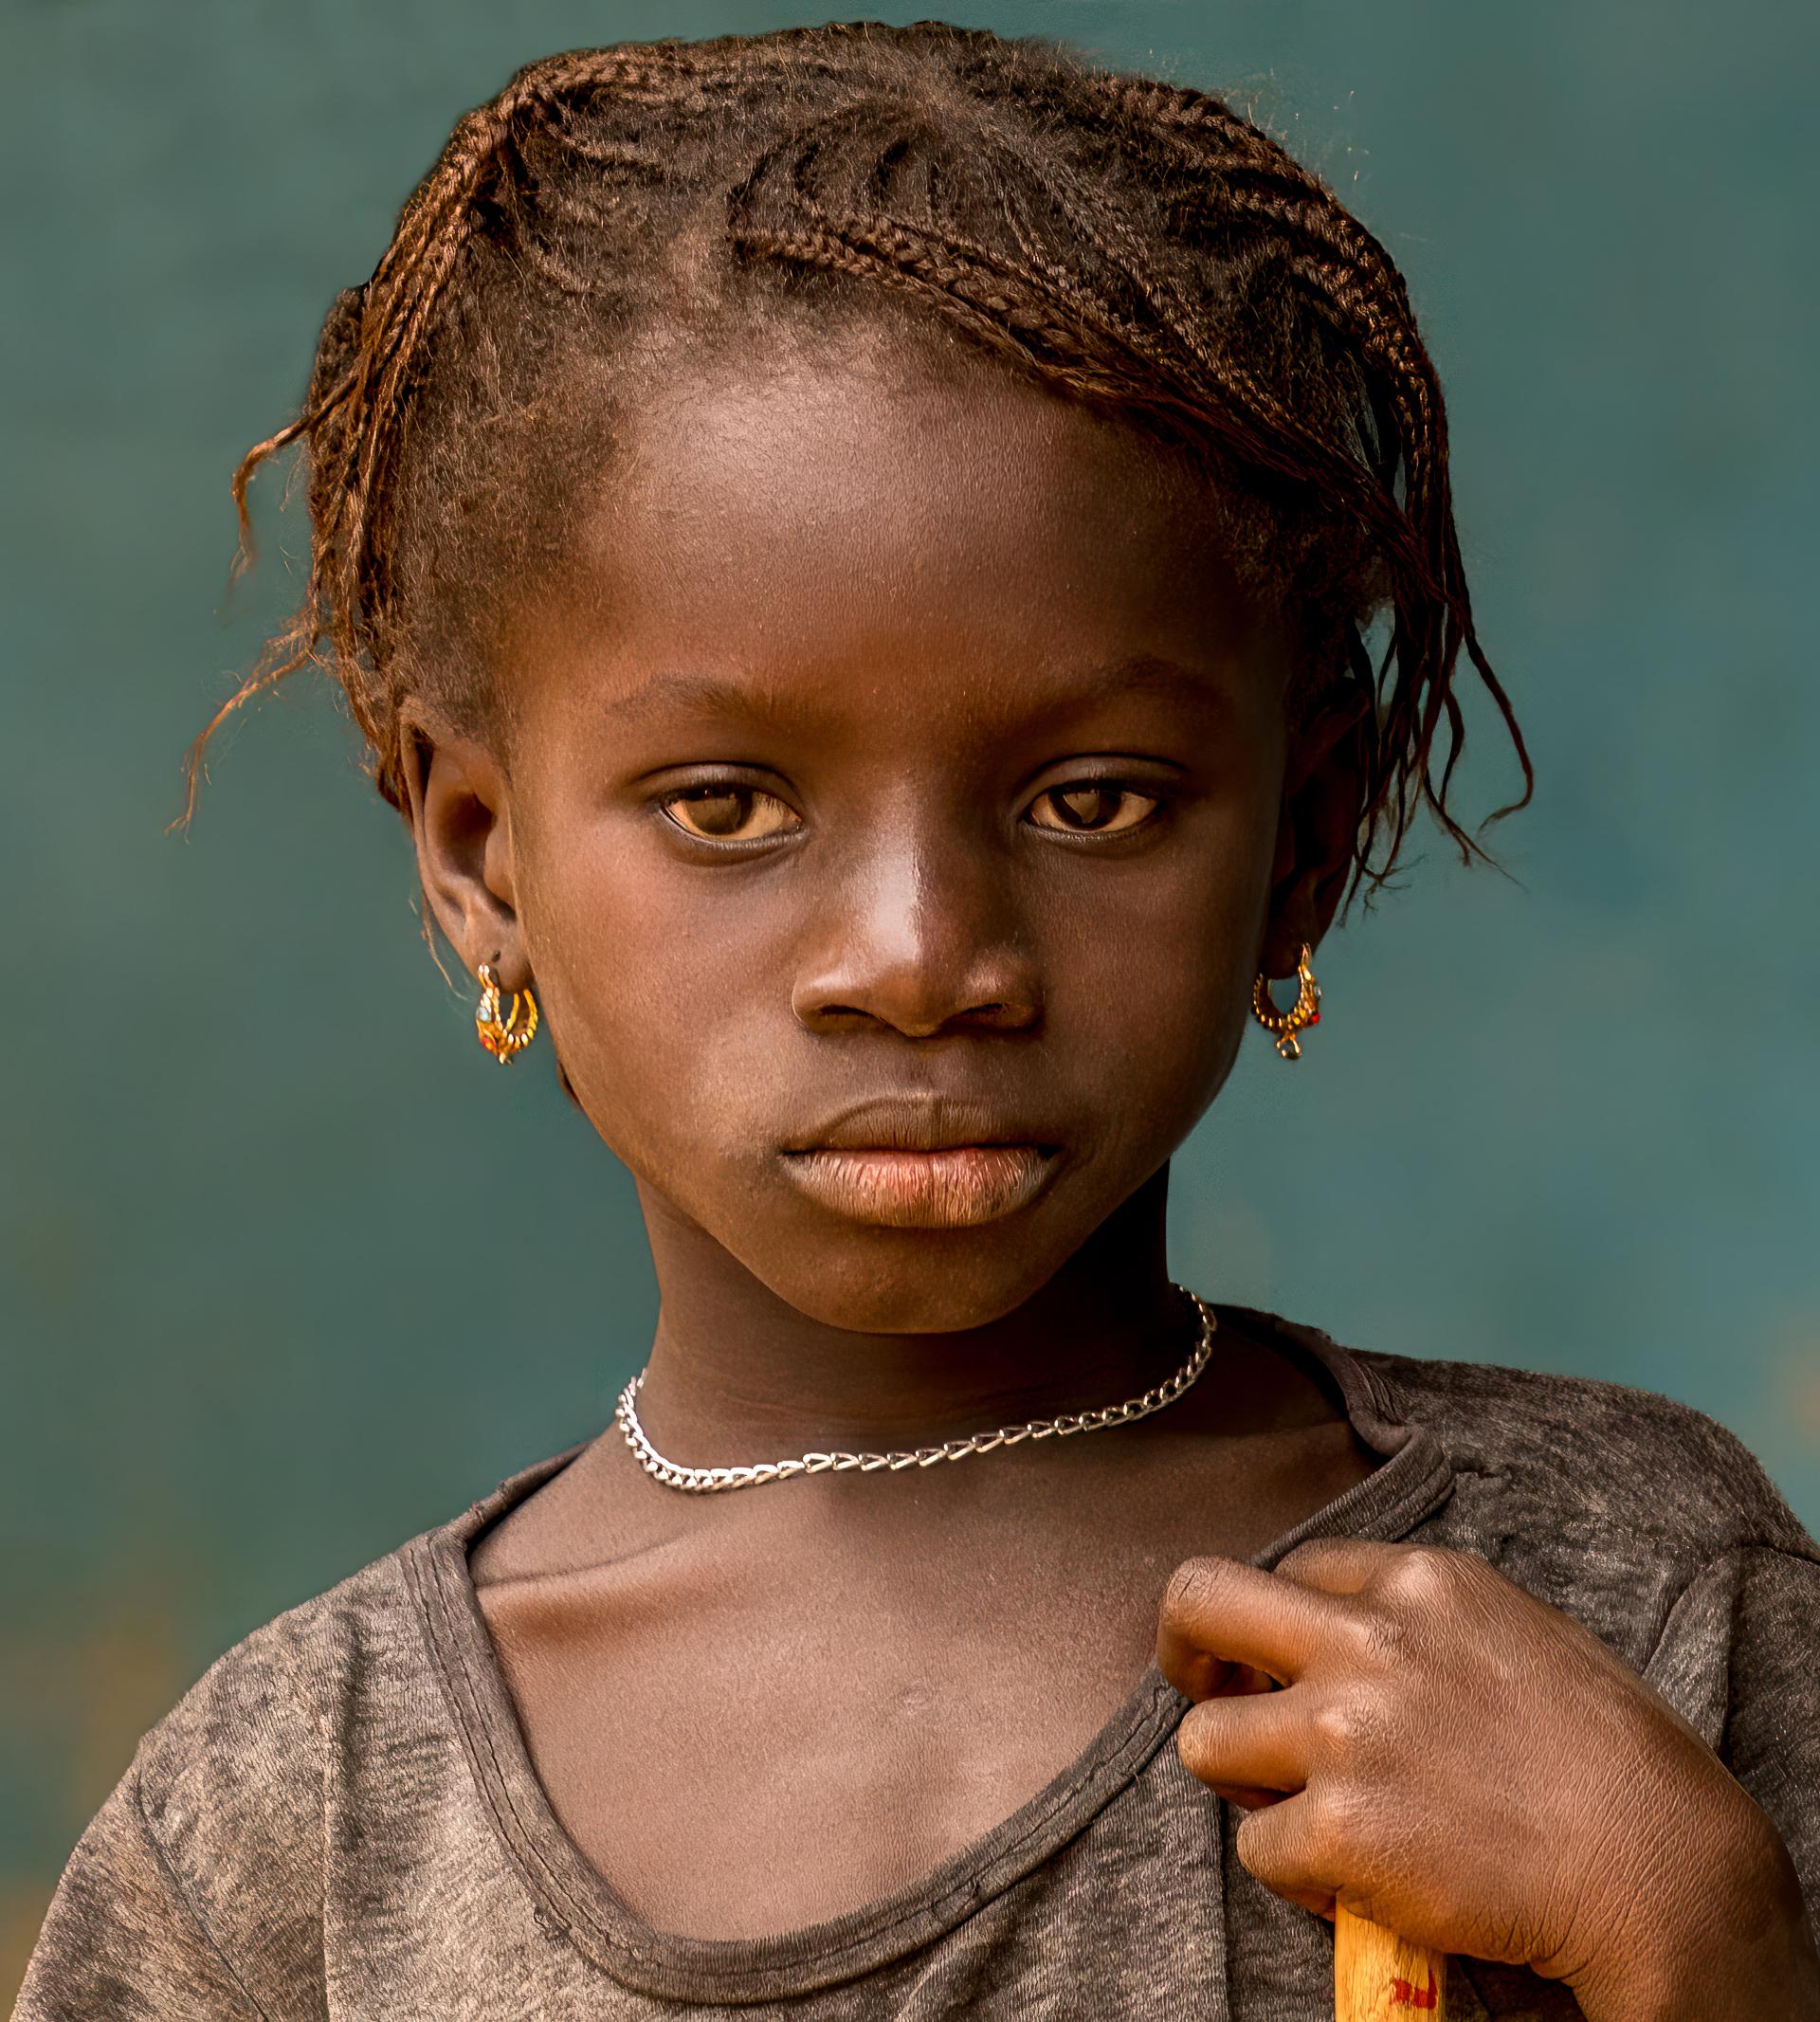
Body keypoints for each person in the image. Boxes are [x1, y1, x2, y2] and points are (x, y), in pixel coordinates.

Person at [15, 21, 1818, 2020]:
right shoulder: (300, 1823)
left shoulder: (1621, 1599)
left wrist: (1703, 1939)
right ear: (478, 852)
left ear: (1301, 844)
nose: (921, 950)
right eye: (730, 805)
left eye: (1092, 799)